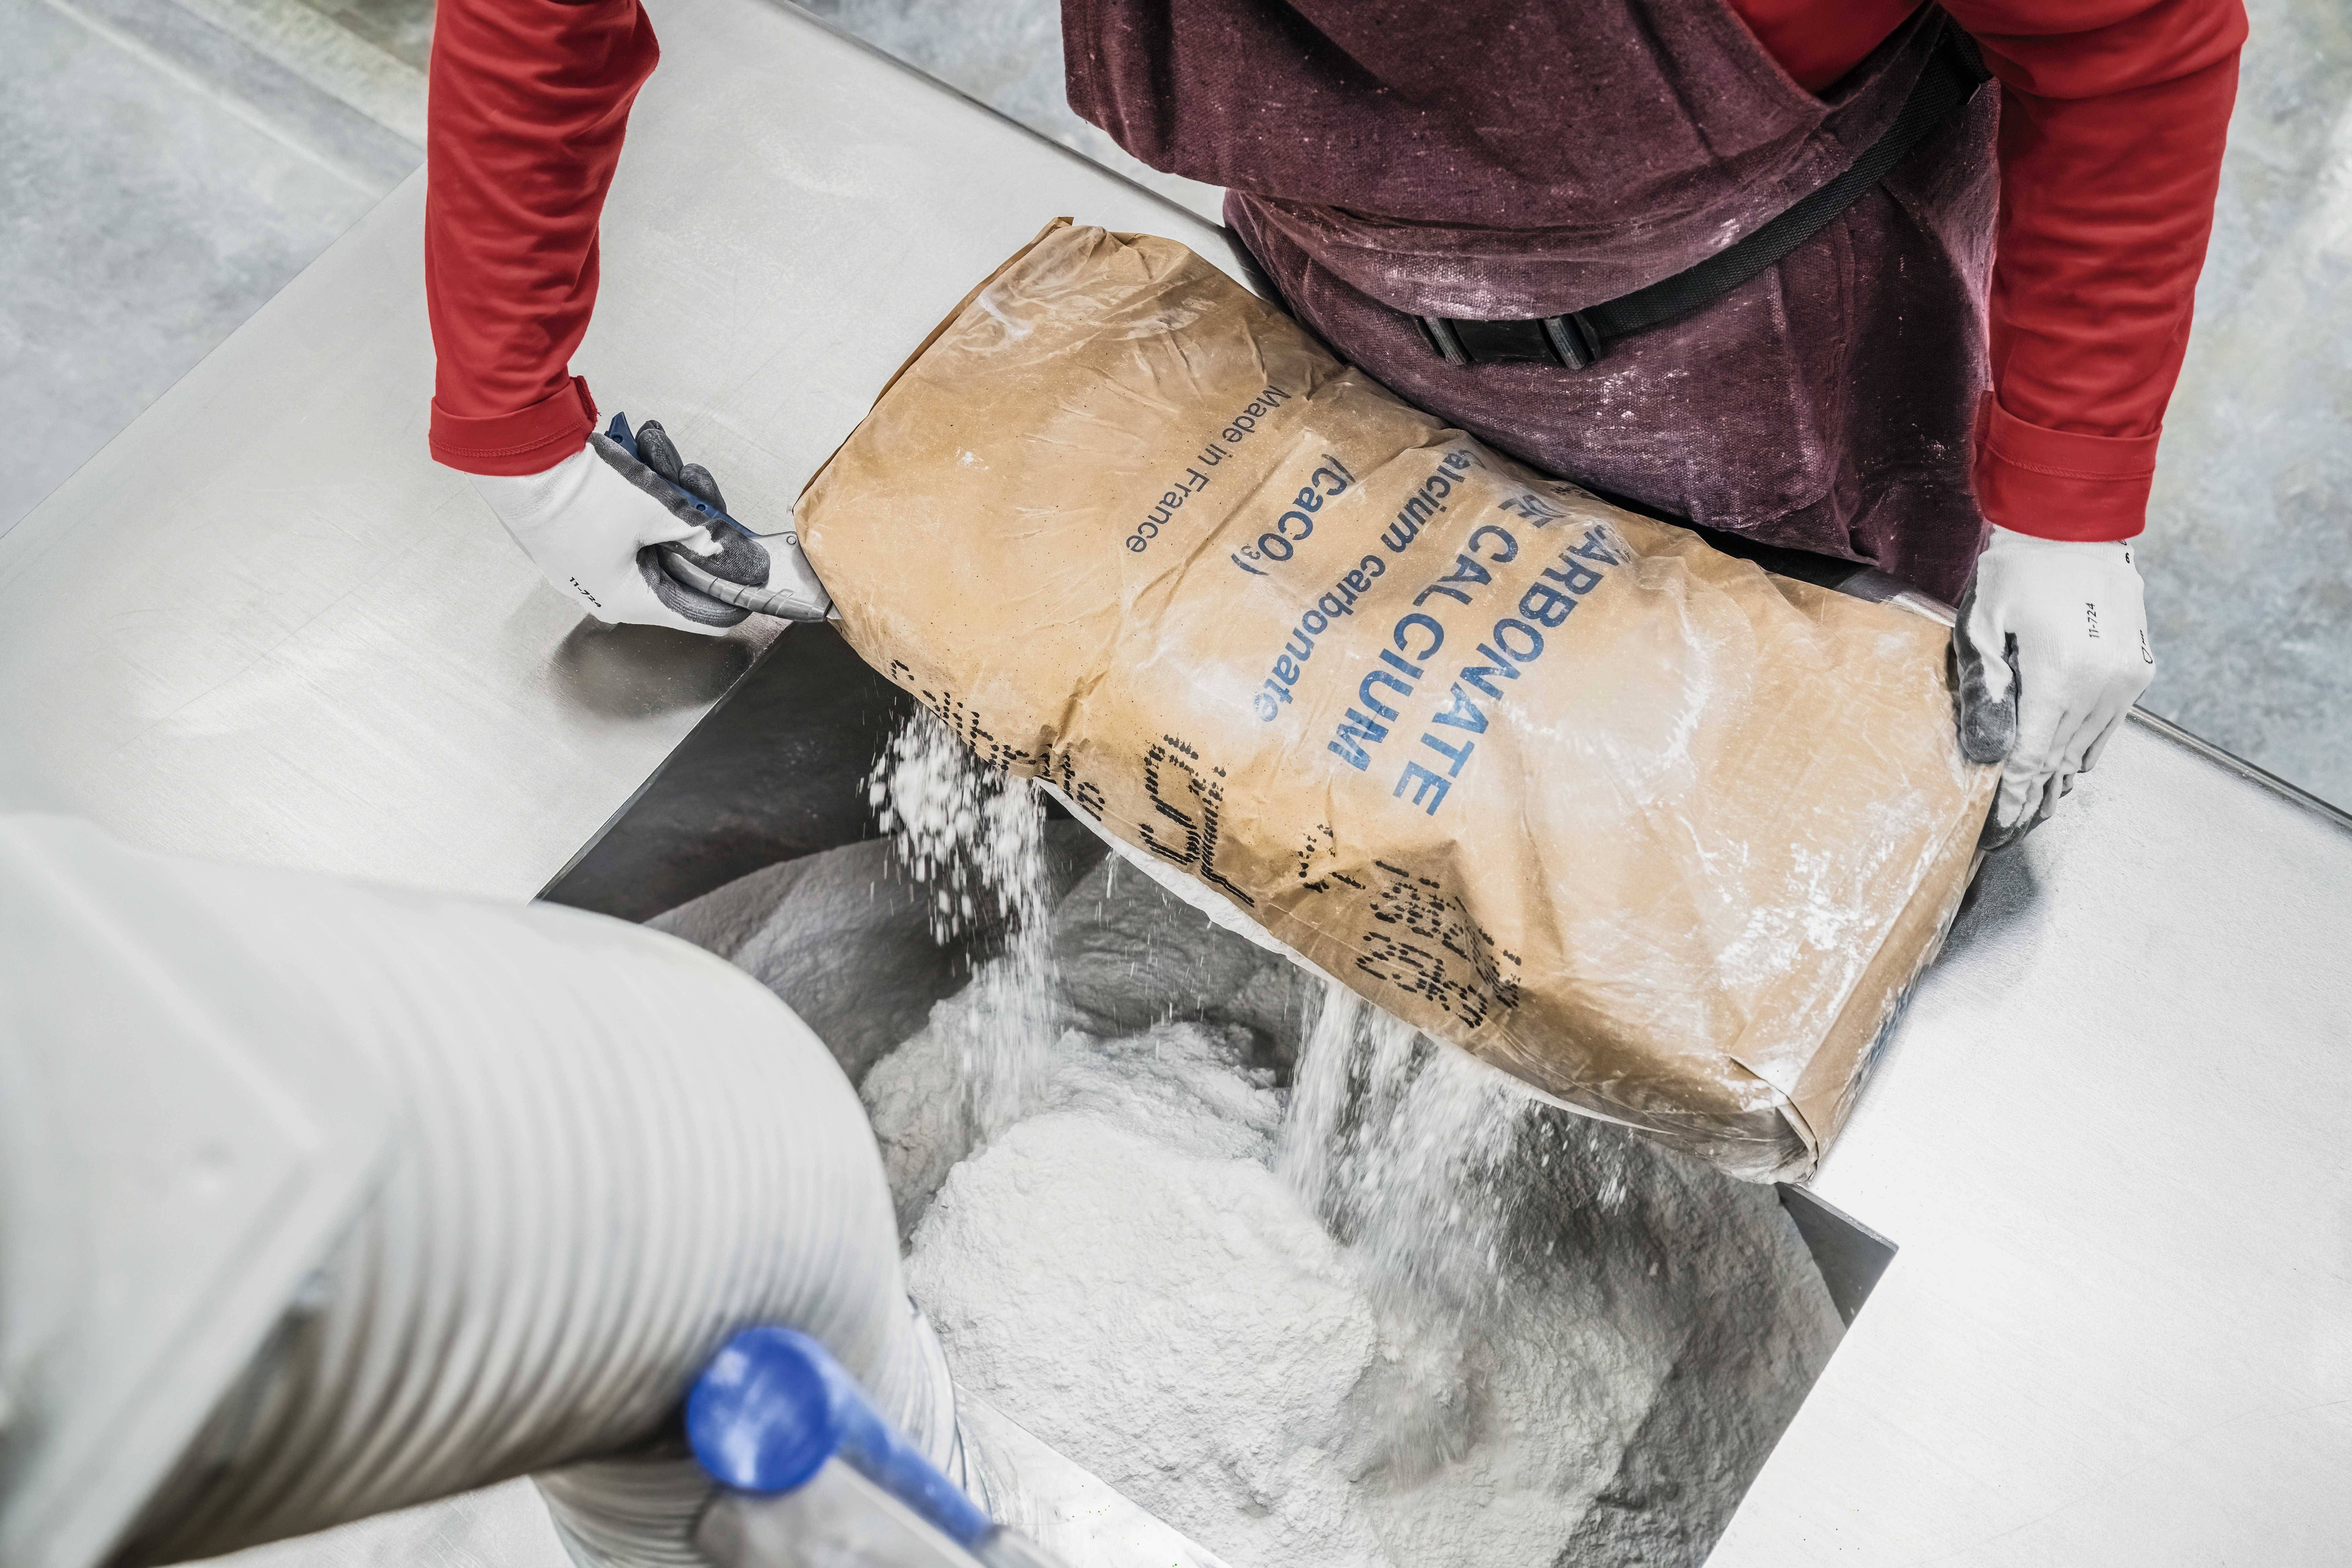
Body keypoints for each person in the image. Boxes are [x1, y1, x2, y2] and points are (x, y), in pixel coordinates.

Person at [423, 0, 2244, 845]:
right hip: (1323, 293)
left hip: (1783, 346)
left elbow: (2129, 40)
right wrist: (512, 407)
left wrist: (2066, 500)